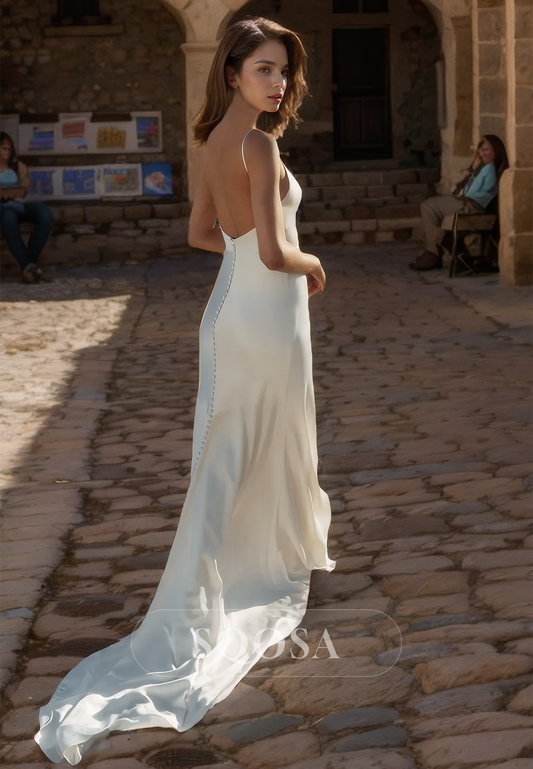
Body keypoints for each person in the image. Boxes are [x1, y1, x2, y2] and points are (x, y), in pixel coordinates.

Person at [35, 16, 335, 765]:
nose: (278, 83)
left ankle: (223, 580)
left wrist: (253, 254)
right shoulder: (258, 145)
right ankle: (236, 583)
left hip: (233, 310)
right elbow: (276, 251)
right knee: (256, 445)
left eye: (283, 71)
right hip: (266, 314)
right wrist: (312, 264)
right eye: (264, 69)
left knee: (227, 454)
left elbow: (205, 235)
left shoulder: (213, 144)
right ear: (231, 71)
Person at [409, 134, 509, 271]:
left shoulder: (490, 170)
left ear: (496, 152)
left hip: (470, 205)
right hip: (466, 202)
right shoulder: (484, 168)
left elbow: (469, 194)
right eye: (481, 149)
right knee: (430, 208)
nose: (482, 153)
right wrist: (473, 171)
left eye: (487, 150)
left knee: (428, 206)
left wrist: (472, 172)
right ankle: (435, 249)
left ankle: (433, 252)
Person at [0, 132, 53, 283]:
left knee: (44, 212)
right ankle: (29, 267)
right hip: (3, 208)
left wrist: (6, 193)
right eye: (3, 148)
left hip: (19, 204)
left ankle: (29, 265)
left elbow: (23, 190)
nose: (7, 151)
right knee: (8, 216)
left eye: (9, 148)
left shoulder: (18, 166)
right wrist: (8, 193)